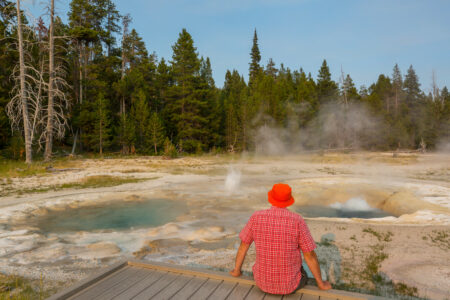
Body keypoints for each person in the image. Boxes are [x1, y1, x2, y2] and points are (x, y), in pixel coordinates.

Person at [230, 183, 332, 295]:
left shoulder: (256, 217)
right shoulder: (297, 220)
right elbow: (309, 255)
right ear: (288, 200)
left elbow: (243, 246)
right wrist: (321, 283)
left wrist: (236, 271)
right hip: (291, 286)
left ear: (271, 198)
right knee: (302, 270)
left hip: (262, 283)